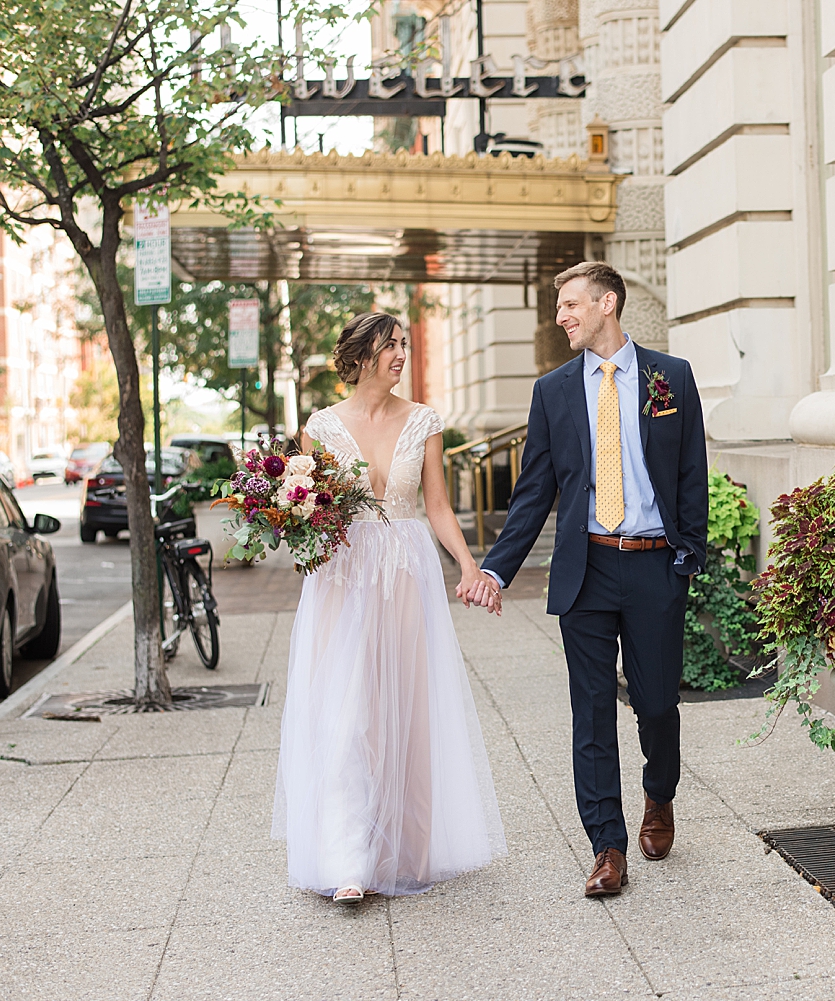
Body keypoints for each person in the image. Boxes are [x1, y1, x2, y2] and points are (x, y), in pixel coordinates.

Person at [463, 262, 708, 897]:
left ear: (607, 303)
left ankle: (660, 793)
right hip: (587, 569)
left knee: (656, 703)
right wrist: (495, 568)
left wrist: (689, 555)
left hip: (655, 561)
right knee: (592, 711)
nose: (561, 316)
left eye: (571, 304)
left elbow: (691, 473)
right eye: (557, 306)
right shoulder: (552, 392)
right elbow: (533, 491)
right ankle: (607, 845)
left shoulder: (670, 377)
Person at [272, 312, 506, 903]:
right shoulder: (319, 429)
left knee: (402, 710)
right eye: (388, 346)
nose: (399, 354)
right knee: (346, 712)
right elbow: (310, 510)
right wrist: (290, 522)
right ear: (358, 356)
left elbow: (437, 506)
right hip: (342, 576)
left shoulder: (424, 420)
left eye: (402, 344)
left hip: (406, 573)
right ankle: (348, 857)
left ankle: (403, 850)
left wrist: (469, 564)